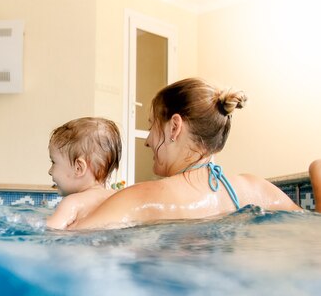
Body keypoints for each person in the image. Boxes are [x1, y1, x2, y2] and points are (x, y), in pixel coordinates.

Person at [71, 78, 301, 230]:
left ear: (174, 127)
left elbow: (69, 244)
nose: (148, 141)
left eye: (152, 125)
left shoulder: (140, 198)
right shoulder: (254, 188)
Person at [46, 117, 122, 229]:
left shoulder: (72, 203)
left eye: (54, 162)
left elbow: (50, 233)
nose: (50, 171)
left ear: (79, 168)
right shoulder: (117, 198)